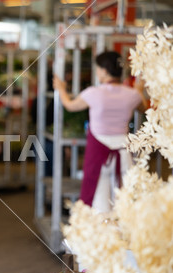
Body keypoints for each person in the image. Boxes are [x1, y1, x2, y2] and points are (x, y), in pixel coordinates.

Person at [53, 51, 147, 213]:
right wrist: (139, 90)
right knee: (123, 203)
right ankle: (121, 236)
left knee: (99, 203)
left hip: (98, 156)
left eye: (97, 68)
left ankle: (102, 236)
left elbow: (69, 105)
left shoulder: (93, 93)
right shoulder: (132, 95)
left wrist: (61, 89)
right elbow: (145, 108)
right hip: (123, 154)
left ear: (104, 70)